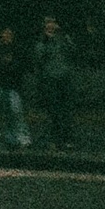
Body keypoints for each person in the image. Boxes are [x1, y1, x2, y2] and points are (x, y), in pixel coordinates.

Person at [34, 17, 76, 147]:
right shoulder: (42, 41)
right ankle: (56, 137)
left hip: (64, 77)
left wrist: (62, 37)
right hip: (50, 79)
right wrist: (47, 40)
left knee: (66, 109)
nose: (50, 26)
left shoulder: (63, 39)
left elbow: (73, 51)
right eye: (47, 24)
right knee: (54, 109)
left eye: (53, 23)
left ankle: (66, 138)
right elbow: (38, 57)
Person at [0, 26, 32, 151]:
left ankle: (23, 137)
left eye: (8, 34)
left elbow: (21, 66)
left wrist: (8, 66)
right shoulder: (0, 50)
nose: (5, 37)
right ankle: (11, 137)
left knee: (16, 112)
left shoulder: (16, 50)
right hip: (3, 85)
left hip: (14, 85)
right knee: (7, 113)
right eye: (4, 34)